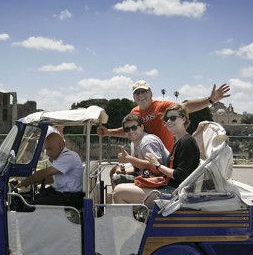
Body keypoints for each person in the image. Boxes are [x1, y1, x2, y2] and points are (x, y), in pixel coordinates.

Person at [98, 80, 230, 151]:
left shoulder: (162, 106)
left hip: (163, 156)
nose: (141, 95)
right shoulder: (134, 112)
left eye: (144, 91)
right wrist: (108, 132)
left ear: (150, 93)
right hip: (146, 154)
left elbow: (186, 106)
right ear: (134, 97)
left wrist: (210, 100)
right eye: (137, 93)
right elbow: (129, 130)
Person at [113, 104, 200, 207]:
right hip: (169, 188)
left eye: (173, 118)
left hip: (174, 194)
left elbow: (180, 175)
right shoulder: (180, 141)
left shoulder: (187, 142)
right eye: (166, 119)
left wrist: (157, 165)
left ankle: (132, 222)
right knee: (119, 187)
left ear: (184, 119)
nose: (169, 122)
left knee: (119, 193)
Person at [16, 132, 84, 209]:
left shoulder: (69, 157)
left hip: (70, 198)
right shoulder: (60, 157)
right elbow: (54, 178)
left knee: (30, 207)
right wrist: (38, 181)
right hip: (63, 193)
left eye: (49, 149)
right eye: (46, 149)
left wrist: (24, 183)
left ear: (60, 145)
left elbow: (45, 173)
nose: (47, 153)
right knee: (37, 197)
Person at [110, 114, 169, 188]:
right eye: (127, 129)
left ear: (141, 127)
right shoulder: (133, 143)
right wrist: (125, 170)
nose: (130, 131)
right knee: (115, 170)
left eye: (134, 127)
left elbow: (156, 168)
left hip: (161, 181)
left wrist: (128, 158)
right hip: (148, 176)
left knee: (118, 178)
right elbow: (138, 167)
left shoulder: (147, 141)